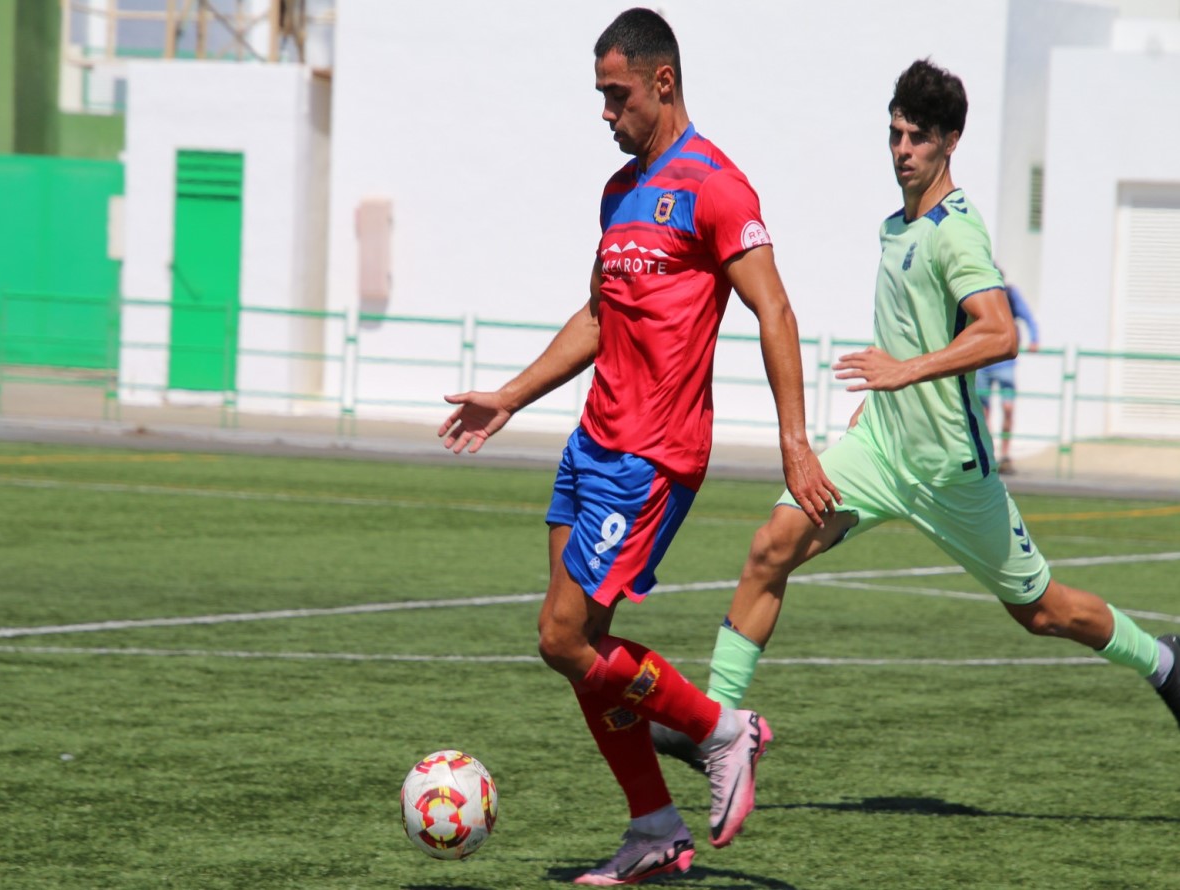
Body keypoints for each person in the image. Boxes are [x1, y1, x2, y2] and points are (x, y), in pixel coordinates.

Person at [653, 58, 1179, 774]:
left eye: (918, 138)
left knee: (1041, 612)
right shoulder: (894, 225)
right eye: (895, 134)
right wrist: (881, 399)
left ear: (949, 142)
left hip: (947, 473)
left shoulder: (951, 232)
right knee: (768, 549)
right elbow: (909, 329)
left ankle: (1162, 663)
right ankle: (715, 725)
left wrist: (901, 372)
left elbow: (999, 332)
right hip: (876, 451)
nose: (902, 150)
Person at [438, 7, 839, 884]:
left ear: (662, 81)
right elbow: (595, 315)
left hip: (652, 456)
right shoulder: (618, 193)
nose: (605, 111)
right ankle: (654, 827)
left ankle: (722, 728)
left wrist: (794, 443)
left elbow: (774, 309)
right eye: (598, 95)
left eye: (615, 94)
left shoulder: (716, 185)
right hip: (591, 444)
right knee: (585, 655)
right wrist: (509, 395)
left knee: (561, 637)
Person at [975, 276, 1040, 475]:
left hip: (1005, 362)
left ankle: (1005, 455)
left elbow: (1028, 317)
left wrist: (1034, 339)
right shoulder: (977, 294)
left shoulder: (1009, 294)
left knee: (1008, 408)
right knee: (983, 412)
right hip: (983, 362)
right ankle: (988, 455)